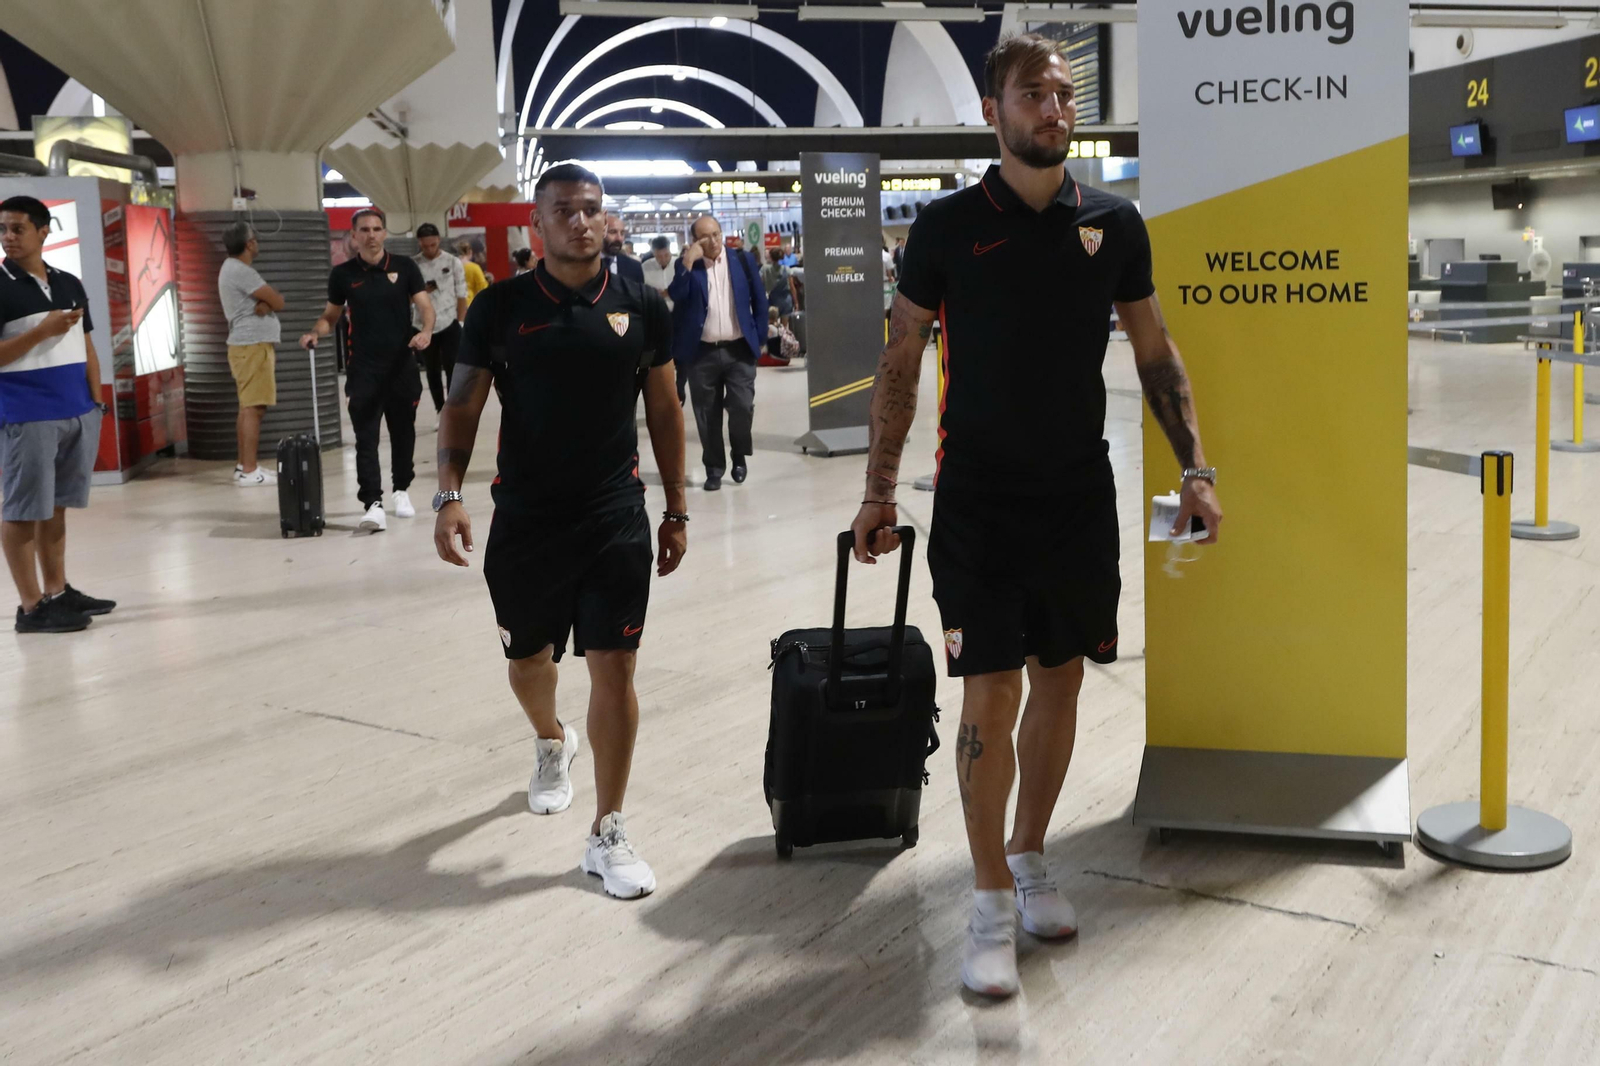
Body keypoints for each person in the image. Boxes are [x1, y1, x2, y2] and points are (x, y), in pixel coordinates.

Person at [849, 33, 1225, 999]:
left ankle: (1027, 856)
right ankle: (983, 899)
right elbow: (900, 362)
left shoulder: (1115, 222)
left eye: (1064, 95)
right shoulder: (942, 228)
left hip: (1077, 497)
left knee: (1060, 679)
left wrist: (1195, 467)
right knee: (990, 696)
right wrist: (880, 491)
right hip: (976, 498)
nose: (1054, 109)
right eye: (1032, 95)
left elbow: (1154, 351)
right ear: (994, 112)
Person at [432, 162, 687, 900]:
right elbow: (462, 408)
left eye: (592, 209)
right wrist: (449, 495)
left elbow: (667, 410)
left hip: (614, 514)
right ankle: (551, 739)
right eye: (565, 211)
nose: (582, 221)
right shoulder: (502, 308)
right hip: (527, 519)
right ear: (535, 225)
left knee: (616, 666)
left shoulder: (640, 302)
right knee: (528, 662)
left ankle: (608, 827)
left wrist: (675, 508)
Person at [0, 195, 116, 633]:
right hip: (27, 415)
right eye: (3, 230)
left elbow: (86, 347)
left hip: (76, 412)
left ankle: (57, 590)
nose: (8, 237)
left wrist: (95, 404)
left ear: (44, 230)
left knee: (56, 507)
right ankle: (31, 608)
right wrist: (42, 332)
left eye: (17, 228)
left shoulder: (69, 282)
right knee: (22, 511)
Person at [300, 207, 434, 532]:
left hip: (401, 366)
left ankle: (401, 490)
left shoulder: (404, 268)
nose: (371, 234)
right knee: (366, 438)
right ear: (354, 235)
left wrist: (426, 332)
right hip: (363, 369)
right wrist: (315, 332)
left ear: (384, 233)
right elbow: (330, 316)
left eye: (377, 229)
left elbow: (425, 307)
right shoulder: (343, 274)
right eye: (365, 229)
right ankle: (372, 504)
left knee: (403, 434)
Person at [667, 214, 766, 491]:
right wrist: (688, 260)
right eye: (705, 237)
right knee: (706, 413)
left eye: (716, 234)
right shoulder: (687, 266)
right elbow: (678, 295)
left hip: (739, 351)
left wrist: (758, 339)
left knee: (742, 407)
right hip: (702, 353)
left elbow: (760, 300)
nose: (713, 241)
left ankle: (738, 454)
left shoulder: (743, 261)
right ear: (694, 241)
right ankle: (714, 468)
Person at [217, 221, 285, 486]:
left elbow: (271, 303)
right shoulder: (241, 271)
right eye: (255, 239)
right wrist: (270, 304)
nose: (257, 242)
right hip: (252, 345)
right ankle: (249, 470)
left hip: (248, 346)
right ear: (249, 244)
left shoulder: (233, 269)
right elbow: (279, 301)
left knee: (248, 407)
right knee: (254, 408)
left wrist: (266, 306)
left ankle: (244, 466)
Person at [412, 223, 468, 414]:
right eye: (425, 246)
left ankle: (452, 409)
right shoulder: (413, 264)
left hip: (449, 321)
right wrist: (421, 291)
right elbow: (406, 295)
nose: (429, 249)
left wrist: (460, 322)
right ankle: (440, 409)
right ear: (419, 243)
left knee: (454, 367)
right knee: (432, 369)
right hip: (423, 325)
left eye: (433, 245)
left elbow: (462, 294)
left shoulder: (453, 262)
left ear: (439, 241)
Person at [602, 213, 645, 283]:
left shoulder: (634, 267)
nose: (619, 238)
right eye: (613, 232)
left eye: (622, 233)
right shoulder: (584, 265)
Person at [760, 247, 795, 322]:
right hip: (786, 300)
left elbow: (760, 284)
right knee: (785, 328)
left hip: (772, 300)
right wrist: (796, 302)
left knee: (773, 326)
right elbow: (792, 287)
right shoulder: (787, 269)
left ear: (770, 256)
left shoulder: (764, 269)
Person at [640, 235, 674, 312]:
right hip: (655, 311)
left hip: (678, 311)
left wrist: (670, 292)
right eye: (659, 256)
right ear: (653, 253)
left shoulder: (679, 265)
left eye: (666, 255)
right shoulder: (645, 267)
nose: (663, 259)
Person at [454, 239, 489, 305]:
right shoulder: (474, 267)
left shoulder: (452, 267)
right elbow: (483, 289)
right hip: (470, 303)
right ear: (470, 252)